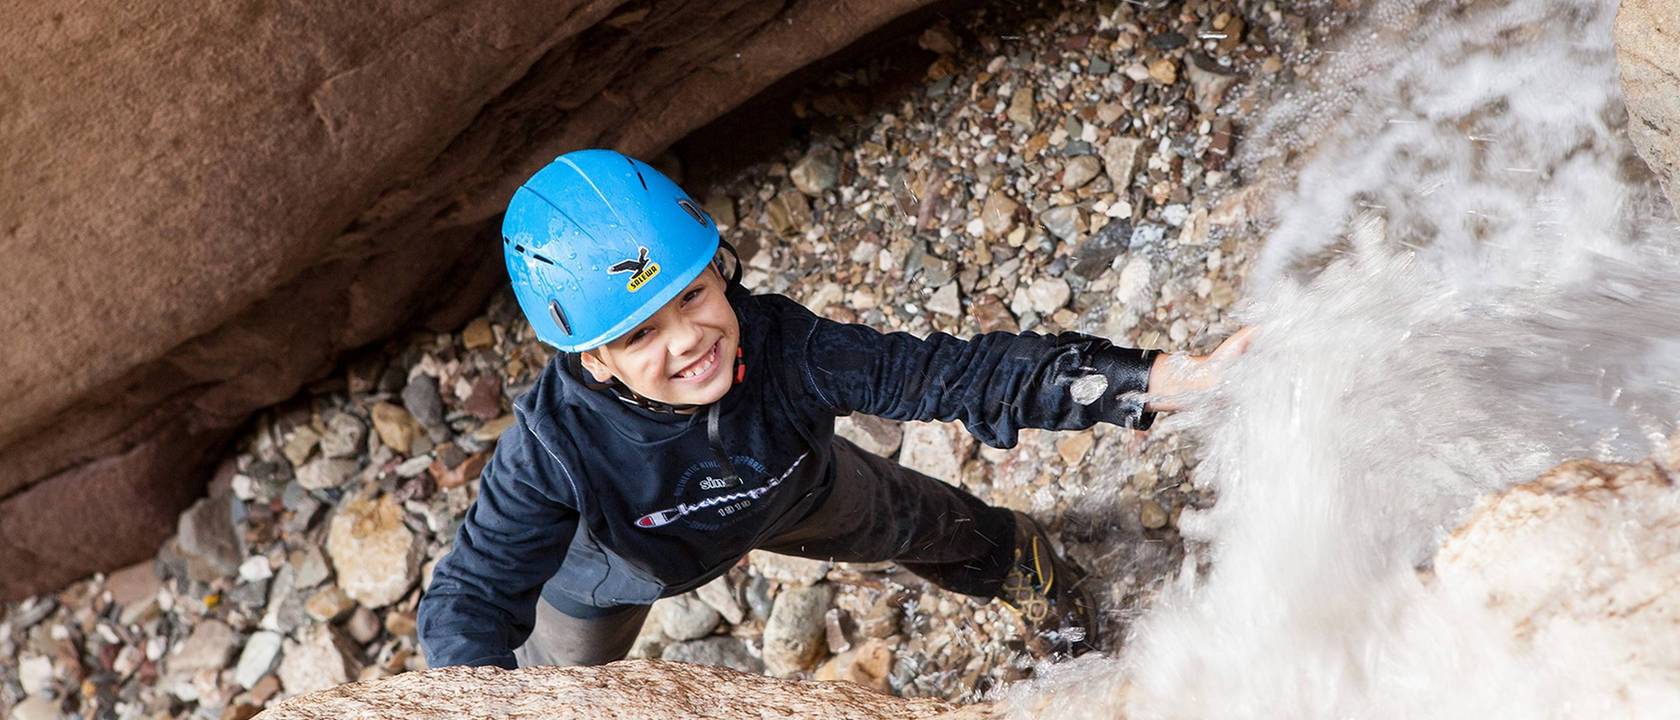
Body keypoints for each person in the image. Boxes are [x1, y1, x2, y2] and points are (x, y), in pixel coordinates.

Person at [416, 149, 1251, 670]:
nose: (690, 340)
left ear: (720, 269)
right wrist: (474, 698)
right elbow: (472, 596)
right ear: (590, 359)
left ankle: (1051, 593)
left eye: (695, 294)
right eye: (640, 334)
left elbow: (956, 375)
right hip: (613, 576)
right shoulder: (553, 444)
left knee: (955, 530)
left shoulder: (787, 349)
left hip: (795, 489)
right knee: (556, 688)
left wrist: (1151, 379)